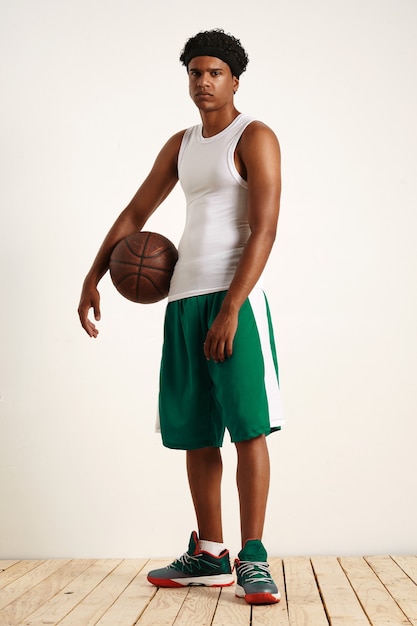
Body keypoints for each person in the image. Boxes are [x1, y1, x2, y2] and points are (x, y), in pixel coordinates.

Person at [78, 28, 285, 605]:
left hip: (233, 300)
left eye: (214, 71)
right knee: (197, 433)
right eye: (195, 72)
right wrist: (93, 275)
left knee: (248, 429)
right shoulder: (182, 143)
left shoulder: (255, 135)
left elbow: (265, 228)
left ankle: (254, 556)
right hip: (183, 301)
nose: (203, 81)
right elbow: (136, 211)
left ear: (235, 79)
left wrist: (232, 306)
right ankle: (211, 553)